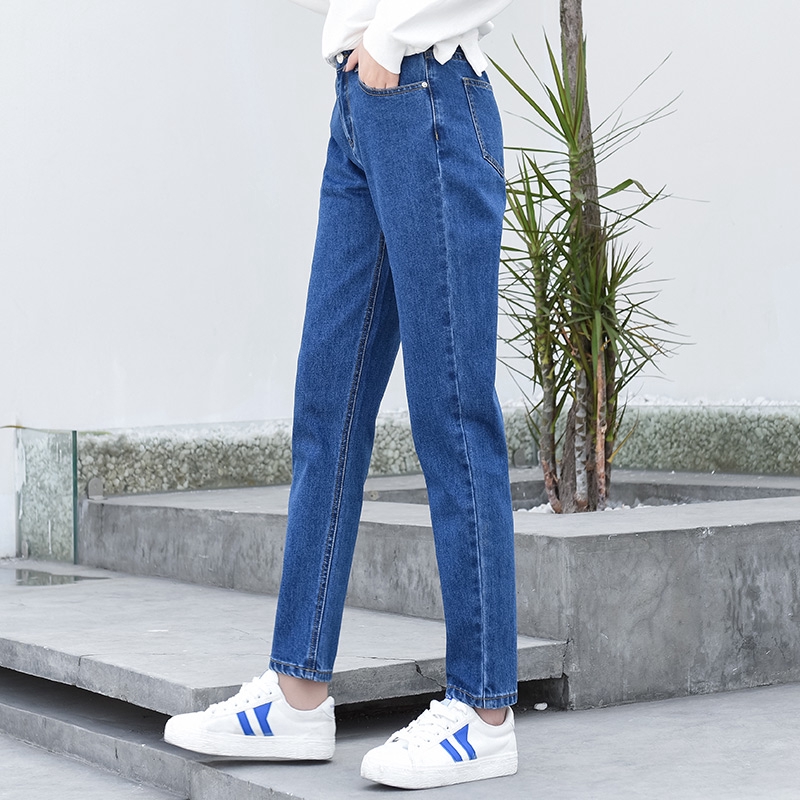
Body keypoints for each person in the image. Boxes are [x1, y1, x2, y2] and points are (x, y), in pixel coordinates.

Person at [164, 0, 518, 789]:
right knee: (328, 407)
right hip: (362, 105)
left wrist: (391, 37)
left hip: (428, 94)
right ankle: (298, 693)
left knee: (453, 414)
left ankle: (484, 712)